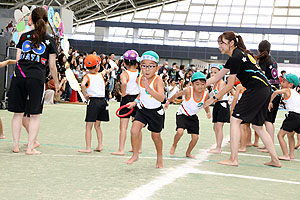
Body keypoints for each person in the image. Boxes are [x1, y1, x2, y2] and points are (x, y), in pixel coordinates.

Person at [204, 31, 281, 167]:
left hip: (256, 90)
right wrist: (200, 84)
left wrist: (213, 99)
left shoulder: (236, 57)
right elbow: (216, 78)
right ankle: (275, 160)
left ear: (231, 43)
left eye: (222, 43)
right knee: (258, 126)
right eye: (219, 43)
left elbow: (229, 85)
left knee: (234, 120)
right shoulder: (237, 55)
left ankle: (233, 159)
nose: (219, 46)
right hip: (264, 89)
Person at [8, 7, 58, 155]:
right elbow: (52, 66)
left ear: (32, 20)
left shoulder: (23, 36)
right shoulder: (50, 40)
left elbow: (18, 60)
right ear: (46, 21)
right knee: (35, 115)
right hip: (36, 78)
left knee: (18, 113)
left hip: (19, 76)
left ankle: (16, 145)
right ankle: (30, 147)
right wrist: (57, 83)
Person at [125, 51, 165, 168]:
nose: (147, 69)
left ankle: (159, 157)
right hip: (142, 110)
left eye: (151, 66)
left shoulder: (157, 80)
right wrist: (135, 102)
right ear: (140, 66)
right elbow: (141, 94)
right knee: (134, 130)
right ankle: (135, 154)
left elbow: (161, 98)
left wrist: (149, 88)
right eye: (144, 66)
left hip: (156, 112)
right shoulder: (139, 78)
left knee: (155, 136)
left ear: (157, 68)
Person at [165, 72, 211, 158]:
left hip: (193, 116)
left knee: (195, 137)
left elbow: (205, 104)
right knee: (180, 131)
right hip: (182, 114)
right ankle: (174, 145)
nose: (200, 86)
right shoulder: (189, 90)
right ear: (192, 84)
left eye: (202, 84)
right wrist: (168, 102)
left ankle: (188, 152)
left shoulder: (205, 94)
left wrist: (208, 112)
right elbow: (176, 95)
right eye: (197, 84)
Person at [111, 50, 142, 156]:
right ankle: (137, 148)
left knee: (123, 127)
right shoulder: (140, 73)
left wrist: (123, 94)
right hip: (137, 99)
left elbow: (124, 83)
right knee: (137, 125)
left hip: (127, 98)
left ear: (124, 62)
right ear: (137, 63)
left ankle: (121, 149)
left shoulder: (125, 73)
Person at [78, 55, 110, 153]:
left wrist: (85, 95)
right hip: (103, 102)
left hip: (93, 102)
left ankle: (88, 147)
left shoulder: (87, 76)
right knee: (98, 126)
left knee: (89, 126)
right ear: (97, 66)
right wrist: (112, 68)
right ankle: (100, 145)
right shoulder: (101, 74)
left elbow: (83, 85)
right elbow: (106, 71)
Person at [256, 40, 281, 152]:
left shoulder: (262, 61)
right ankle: (268, 144)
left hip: (269, 92)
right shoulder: (273, 61)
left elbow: (261, 78)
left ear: (259, 49)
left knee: (268, 120)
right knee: (268, 120)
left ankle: (269, 145)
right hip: (276, 91)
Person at [268, 74, 300, 160]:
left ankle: (286, 155)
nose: (281, 82)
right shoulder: (296, 93)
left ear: (290, 85)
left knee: (280, 135)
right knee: (290, 135)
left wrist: (270, 102)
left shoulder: (287, 90)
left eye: (284, 81)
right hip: (298, 116)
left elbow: (275, 92)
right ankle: (291, 155)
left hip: (293, 115)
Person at [208, 64, 230, 154]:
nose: (213, 74)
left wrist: (209, 100)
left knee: (219, 126)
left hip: (222, 105)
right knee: (215, 126)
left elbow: (220, 97)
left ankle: (218, 147)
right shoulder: (214, 84)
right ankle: (218, 145)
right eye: (211, 72)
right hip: (217, 105)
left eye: (215, 73)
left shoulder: (221, 83)